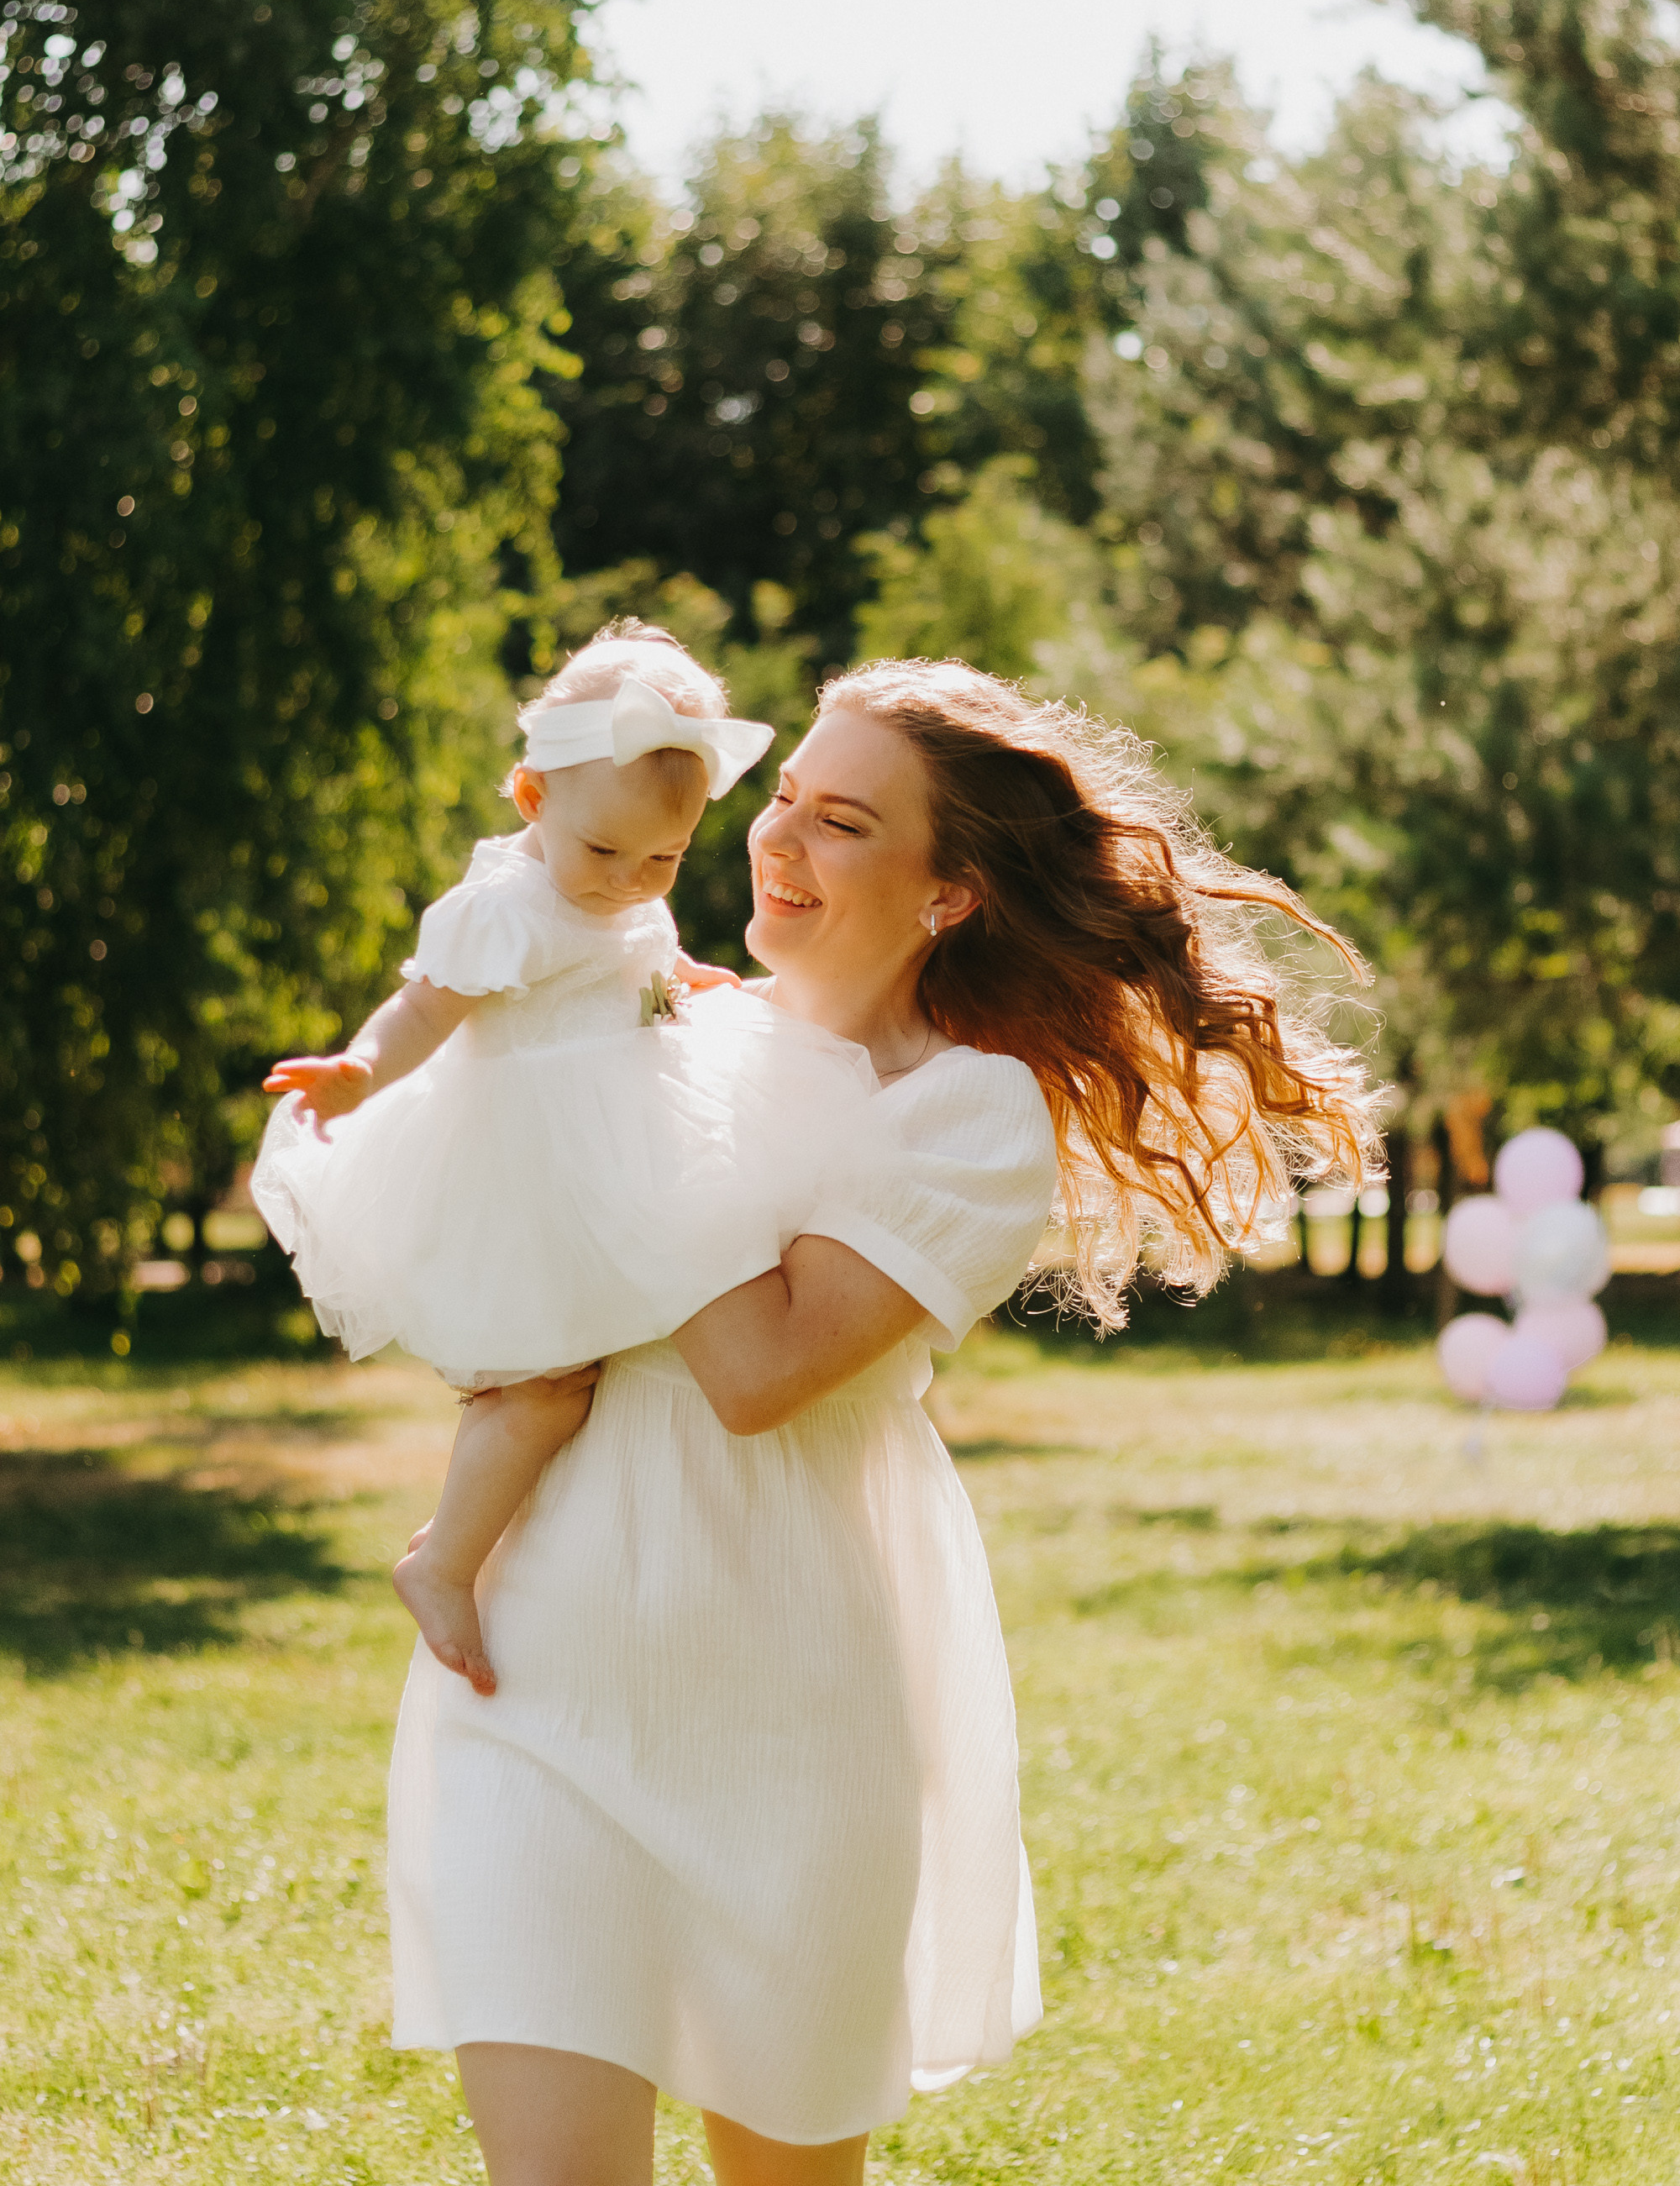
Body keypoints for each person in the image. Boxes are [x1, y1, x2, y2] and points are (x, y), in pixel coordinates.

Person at [386, 655, 1382, 2186]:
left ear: (949, 893)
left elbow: (758, 1368)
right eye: (781, 797)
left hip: (789, 1707)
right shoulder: (674, 1022)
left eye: (841, 821)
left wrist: (603, 1086)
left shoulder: (968, 1114)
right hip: (541, 1652)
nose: (775, 841)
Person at [253, 619, 872, 1696]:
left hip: (626, 1144)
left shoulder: (618, 879)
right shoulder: (506, 908)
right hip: (531, 1167)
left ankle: (537, 1548)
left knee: (615, 1358)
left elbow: (646, 955)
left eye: (663, 859)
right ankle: (442, 1561)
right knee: (543, 1388)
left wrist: (693, 982)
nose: (628, 880)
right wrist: (358, 1070)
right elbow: (423, 1007)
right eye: (604, 853)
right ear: (534, 800)